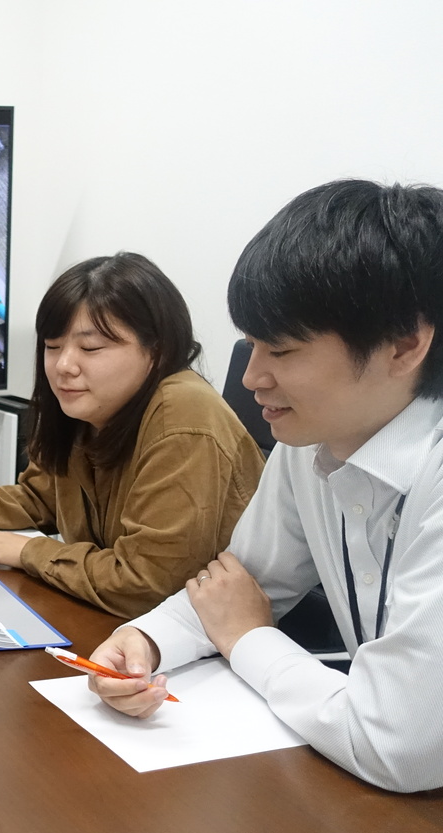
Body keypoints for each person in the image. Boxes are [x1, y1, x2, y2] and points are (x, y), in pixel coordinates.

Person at [89, 180, 443, 793]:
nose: (252, 377)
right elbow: (235, 587)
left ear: (404, 345)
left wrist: (249, 639)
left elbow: (396, 744)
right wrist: (144, 640)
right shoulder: (311, 441)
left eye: (280, 349)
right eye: (250, 344)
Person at [0, 253, 265, 618]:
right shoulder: (89, 407)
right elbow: (37, 499)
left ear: (157, 350)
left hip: (204, 640)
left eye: (90, 348)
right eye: (52, 347)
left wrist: (27, 552)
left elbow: (146, 583)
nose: (63, 366)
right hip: (116, 622)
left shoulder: (183, 415)